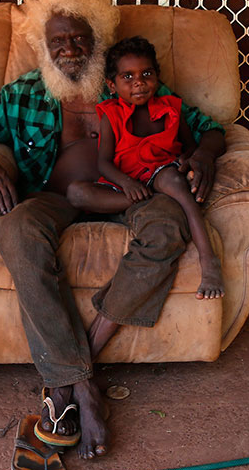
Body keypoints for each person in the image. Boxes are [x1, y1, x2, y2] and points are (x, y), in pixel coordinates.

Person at [0, 0, 226, 460]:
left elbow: (208, 127)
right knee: (15, 228)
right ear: (44, 48)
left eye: (79, 37)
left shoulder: (131, 82)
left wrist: (206, 156)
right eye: (57, 40)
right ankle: (84, 388)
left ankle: (72, 368)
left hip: (135, 190)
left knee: (168, 226)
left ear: (98, 39)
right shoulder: (25, 93)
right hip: (58, 197)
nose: (69, 48)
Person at [66, 36, 224, 299]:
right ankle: (146, 201)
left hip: (161, 172)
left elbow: (189, 146)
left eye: (146, 74)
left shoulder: (172, 108)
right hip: (126, 184)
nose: (138, 82)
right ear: (111, 85)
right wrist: (127, 184)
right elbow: (104, 162)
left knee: (175, 182)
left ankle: (209, 262)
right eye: (127, 77)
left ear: (158, 78)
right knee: (76, 193)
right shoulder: (110, 114)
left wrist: (187, 158)